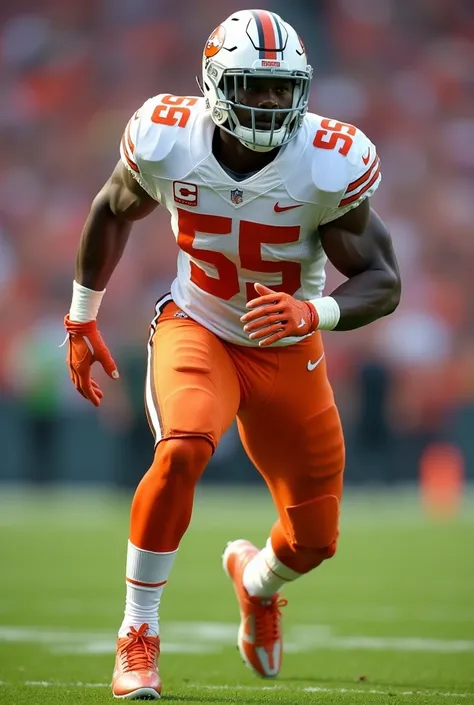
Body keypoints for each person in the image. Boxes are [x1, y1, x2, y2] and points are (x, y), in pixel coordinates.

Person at [64, 8, 401, 700]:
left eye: (284, 89)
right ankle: (139, 632)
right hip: (201, 327)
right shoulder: (167, 137)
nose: (272, 101)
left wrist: (315, 310)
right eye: (255, 85)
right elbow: (111, 208)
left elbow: (383, 280)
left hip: (288, 344)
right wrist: (81, 318)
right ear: (216, 83)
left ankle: (255, 584)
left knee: (314, 539)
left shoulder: (329, 160)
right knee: (183, 446)